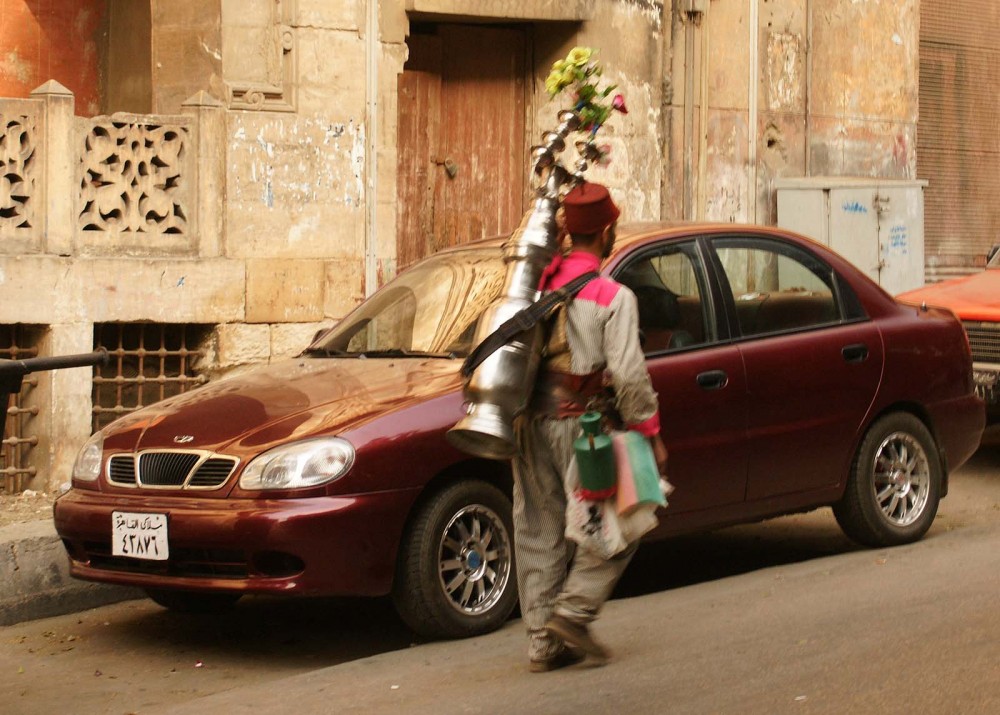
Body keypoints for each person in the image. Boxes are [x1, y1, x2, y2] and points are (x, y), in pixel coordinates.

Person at [512, 181, 668, 672]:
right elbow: (628, 375)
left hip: (528, 424)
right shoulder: (614, 296)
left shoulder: (534, 287)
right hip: (585, 429)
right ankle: (573, 615)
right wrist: (650, 433)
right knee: (623, 518)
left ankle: (543, 642)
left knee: (538, 529)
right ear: (606, 233)